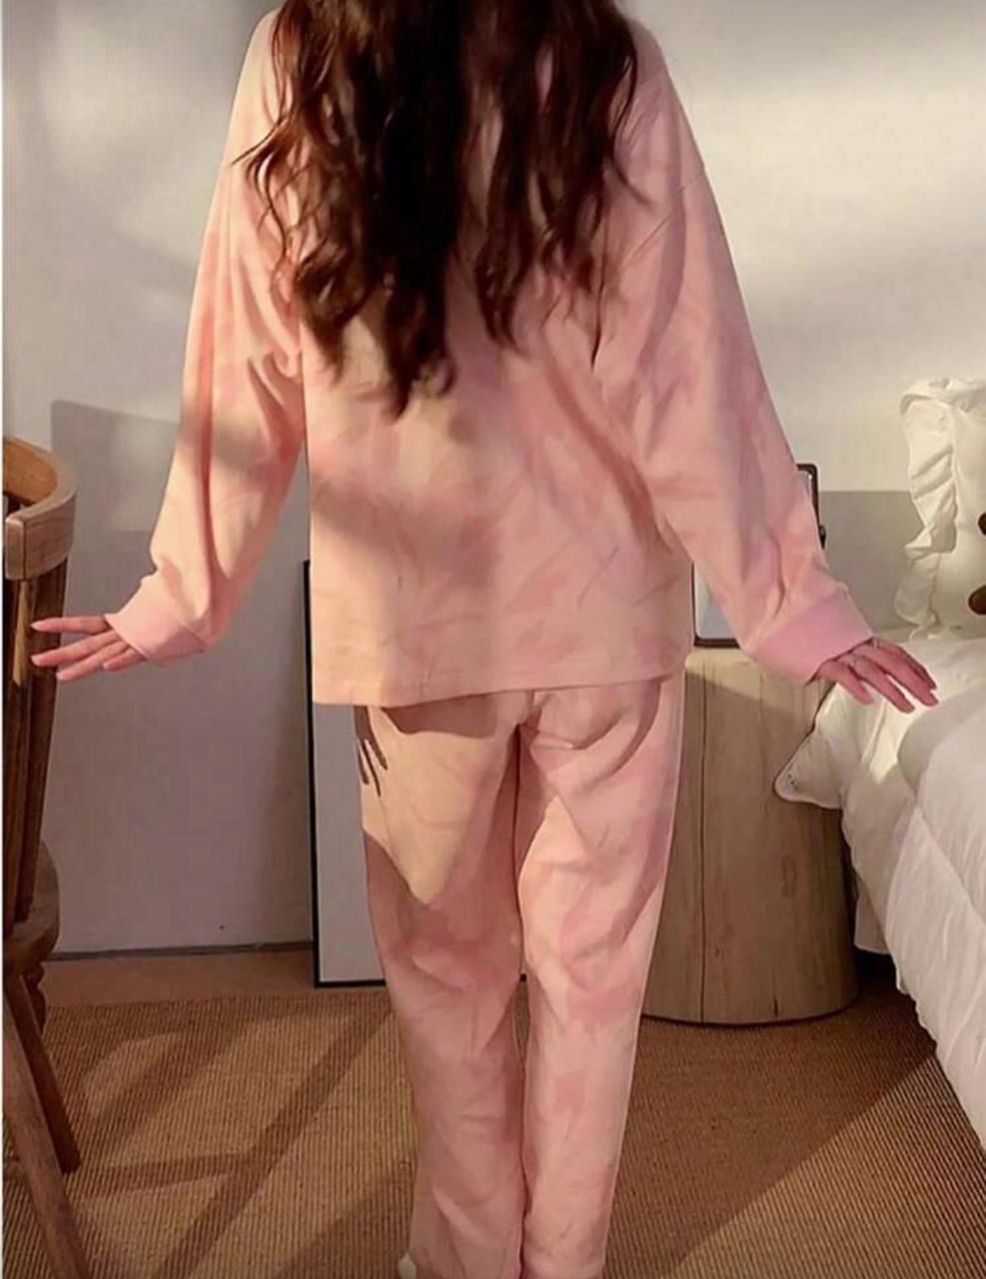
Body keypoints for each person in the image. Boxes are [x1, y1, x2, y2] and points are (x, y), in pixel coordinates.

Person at [31, 3, 938, 1277]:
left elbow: (246, 356)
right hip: (602, 620)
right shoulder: (602, 55)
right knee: (589, 984)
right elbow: (687, 366)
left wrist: (185, 587)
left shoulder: (304, 52)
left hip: (417, 628)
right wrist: (792, 598)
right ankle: (558, 1264)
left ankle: (463, 1259)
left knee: (449, 986)